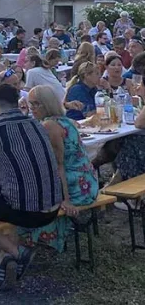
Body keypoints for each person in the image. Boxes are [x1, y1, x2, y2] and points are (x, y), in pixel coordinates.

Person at [0, 83, 62, 289]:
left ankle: (16, 251)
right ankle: (6, 260)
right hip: (53, 205)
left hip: (27, 211)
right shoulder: (36, 124)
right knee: (7, 199)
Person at [20, 85, 99, 252]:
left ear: (47, 104)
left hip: (76, 186)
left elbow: (58, 165)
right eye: (30, 104)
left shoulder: (49, 126)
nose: (32, 108)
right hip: (87, 180)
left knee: (30, 200)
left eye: (36, 104)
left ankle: (27, 245)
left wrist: (65, 199)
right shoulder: (66, 121)